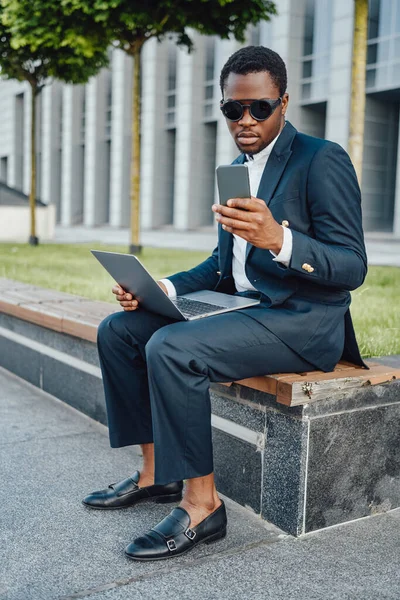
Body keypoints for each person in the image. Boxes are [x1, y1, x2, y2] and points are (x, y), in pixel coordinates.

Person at [83, 46, 367, 561]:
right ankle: (156, 475)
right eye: (233, 110)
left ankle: (202, 505)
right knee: (119, 330)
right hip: (245, 309)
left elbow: (352, 266)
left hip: (302, 321)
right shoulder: (235, 169)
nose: (246, 120)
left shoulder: (321, 159)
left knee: (172, 347)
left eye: (259, 108)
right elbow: (221, 265)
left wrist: (279, 240)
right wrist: (160, 289)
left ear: (283, 102)